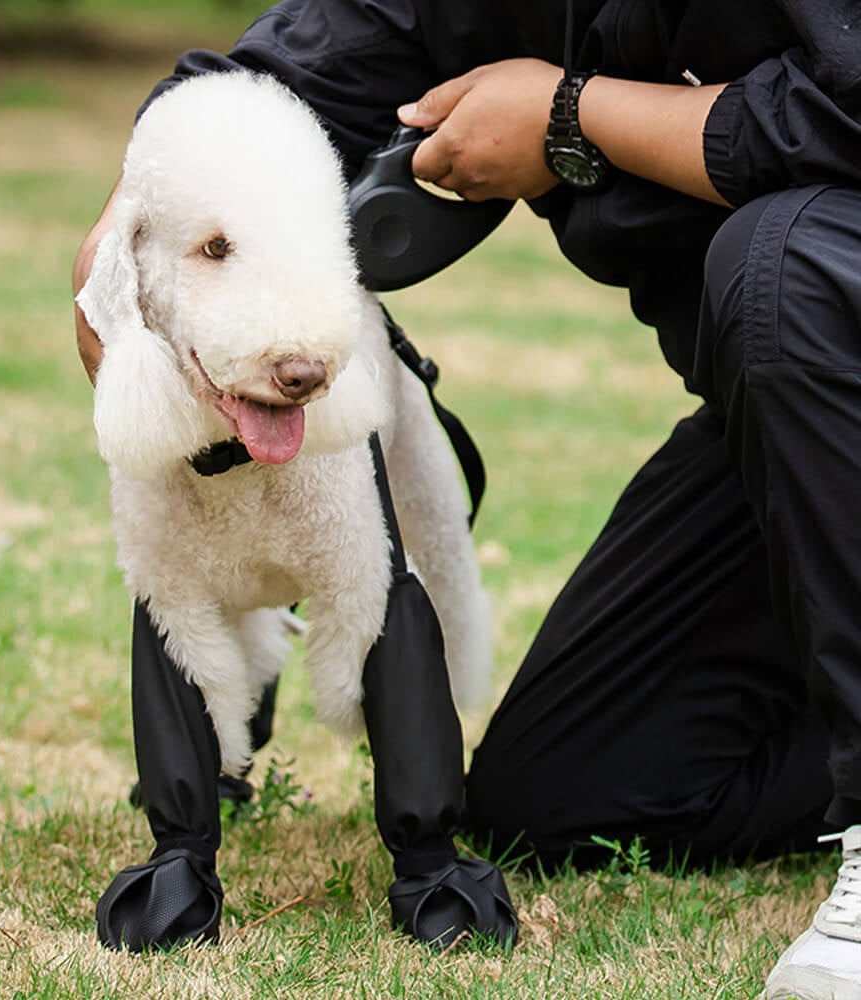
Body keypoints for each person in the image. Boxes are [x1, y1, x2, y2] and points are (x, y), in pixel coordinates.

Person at [73, 0, 861, 993]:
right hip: (808, 430)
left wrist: (575, 115)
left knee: (784, 262)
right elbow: (296, 69)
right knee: (566, 796)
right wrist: (126, 227)